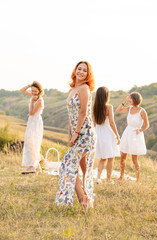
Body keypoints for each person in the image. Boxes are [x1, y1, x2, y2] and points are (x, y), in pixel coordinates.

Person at [55, 61, 96, 208]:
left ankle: (82, 200)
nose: (81, 72)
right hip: (76, 133)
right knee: (76, 166)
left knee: (67, 164)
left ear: (88, 74)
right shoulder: (72, 89)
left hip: (85, 133)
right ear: (75, 70)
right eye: (79, 69)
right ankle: (84, 200)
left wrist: (77, 133)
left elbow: (83, 112)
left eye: (84, 70)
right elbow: (70, 115)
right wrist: (69, 135)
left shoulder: (84, 88)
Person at [116, 92, 149, 181]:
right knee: (123, 156)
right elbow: (118, 110)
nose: (129, 100)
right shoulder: (129, 108)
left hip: (135, 135)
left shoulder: (142, 111)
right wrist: (125, 101)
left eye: (130, 98)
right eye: (129, 99)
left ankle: (138, 179)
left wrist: (140, 130)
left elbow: (146, 124)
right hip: (127, 133)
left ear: (135, 99)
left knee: (134, 159)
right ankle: (121, 176)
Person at [93, 87, 120, 184]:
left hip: (98, 132)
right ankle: (108, 180)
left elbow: (94, 123)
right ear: (106, 96)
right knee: (110, 157)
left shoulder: (94, 107)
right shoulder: (109, 107)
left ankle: (98, 177)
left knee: (103, 158)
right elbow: (112, 123)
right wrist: (117, 135)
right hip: (107, 133)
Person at [20, 81, 44, 174]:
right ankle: (36, 166)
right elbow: (22, 90)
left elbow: (31, 113)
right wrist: (30, 85)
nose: (33, 93)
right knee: (29, 142)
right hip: (31, 122)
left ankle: (33, 166)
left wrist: (32, 102)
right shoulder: (33, 96)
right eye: (32, 91)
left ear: (39, 91)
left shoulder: (39, 100)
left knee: (33, 143)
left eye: (35, 91)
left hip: (36, 122)